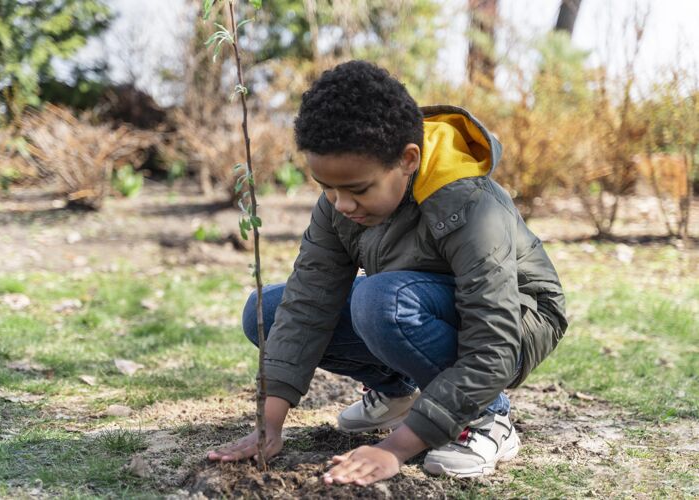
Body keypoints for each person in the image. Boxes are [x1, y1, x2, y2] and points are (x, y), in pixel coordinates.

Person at [207, 60, 567, 486]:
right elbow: (308, 302)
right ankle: (399, 391)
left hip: (517, 321)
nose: (340, 203)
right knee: (266, 311)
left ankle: (487, 417)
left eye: (357, 189)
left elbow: (495, 340)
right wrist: (269, 423)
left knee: (382, 302)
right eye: (327, 187)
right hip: (412, 301)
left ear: (407, 160)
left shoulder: (469, 204)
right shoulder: (340, 206)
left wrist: (395, 449)